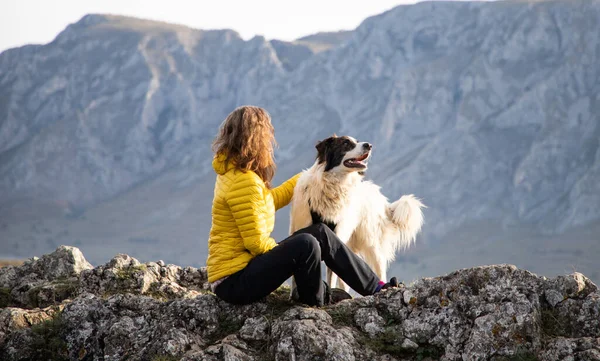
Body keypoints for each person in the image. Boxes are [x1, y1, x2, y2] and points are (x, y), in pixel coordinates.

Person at [207, 105, 399, 306]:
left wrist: (308, 179)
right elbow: (255, 244)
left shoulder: (236, 174)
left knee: (321, 232)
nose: (269, 142)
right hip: (235, 282)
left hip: (238, 274)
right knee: (306, 243)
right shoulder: (243, 182)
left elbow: (266, 202)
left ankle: (376, 288)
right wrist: (289, 252)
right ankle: (316, 299)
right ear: (253, 140)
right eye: (266, 135)